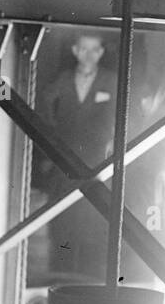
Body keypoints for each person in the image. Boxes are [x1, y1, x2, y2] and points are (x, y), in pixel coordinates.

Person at [37, 32, 117, 280]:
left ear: (101, 53)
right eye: (83, 49)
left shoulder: (112, 80)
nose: (89, 55)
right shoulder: (63, 80)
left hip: (97, 161)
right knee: (62, 217)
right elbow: (44, 104)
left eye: (94, 49)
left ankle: (90, 275)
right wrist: (52, 141)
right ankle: (61, 271)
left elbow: (120, 114)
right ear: (75, 51)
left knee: (93, 216)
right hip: (64, 160)